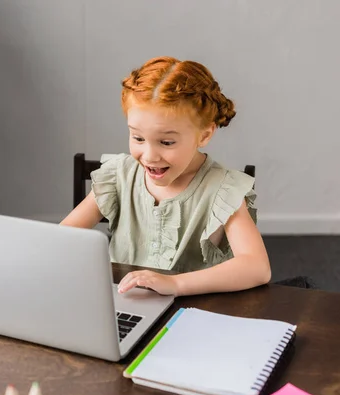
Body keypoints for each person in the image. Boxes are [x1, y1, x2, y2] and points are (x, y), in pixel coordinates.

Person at [60, 56, 270, 296]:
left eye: (167, 142)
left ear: (204, 135)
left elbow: (257, 267)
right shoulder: (119, 175)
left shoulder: (223, 189)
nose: (149, 156)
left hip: (193, 309)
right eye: (138, 138)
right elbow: (62, 238)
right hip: (122, 302)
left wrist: (176, 284)